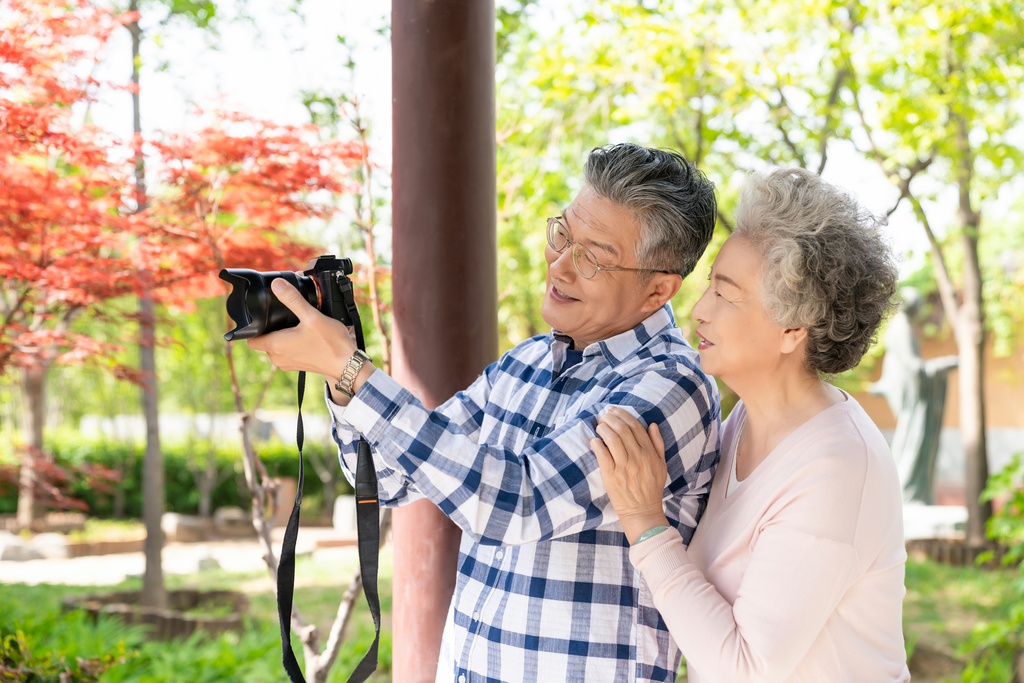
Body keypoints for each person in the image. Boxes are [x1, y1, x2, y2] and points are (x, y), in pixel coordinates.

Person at [249, 143, 722, 682]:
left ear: (657, 291)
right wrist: (340, 377)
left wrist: (355, 371)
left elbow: (517, 504)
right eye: (563, 234)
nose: (560, 265)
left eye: (592, 256)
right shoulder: (525, 363)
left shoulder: (669, 387)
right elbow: (390, 480)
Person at [592, 167, 911, 682]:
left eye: (725, 294)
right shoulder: (742, 419)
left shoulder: (837, 469)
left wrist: (644, 522)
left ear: (792, 328)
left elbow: (748, 668)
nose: (699, 310)